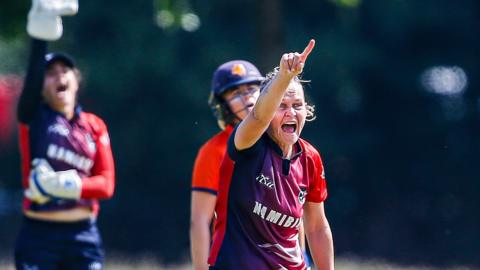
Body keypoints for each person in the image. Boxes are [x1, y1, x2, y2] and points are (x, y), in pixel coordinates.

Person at [208, 39, 334, 270]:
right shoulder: (248, 143)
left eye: (297, 105)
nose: (291, 112)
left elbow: (316, 226)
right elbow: (258, 118)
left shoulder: (310, 158)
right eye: (282, 105)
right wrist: (284, 77)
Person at [14, 1, 115, 269]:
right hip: (39, 237)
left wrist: (65, 185)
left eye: (64, 71)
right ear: (41, 86)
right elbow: (32, 79)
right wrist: (40, 37)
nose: (59, 76)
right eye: (50, 73)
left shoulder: (94, 125)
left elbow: (106, 184)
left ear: (76, 79)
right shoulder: (34, 116)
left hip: (83, 236)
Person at [190, 60, 264, 270]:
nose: (247, 97)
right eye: (235, 93)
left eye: (252, 88)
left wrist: (302, 257)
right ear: (223, 106)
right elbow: (200, 221)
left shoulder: (282, 141)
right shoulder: (213, 151)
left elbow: (296, 215)